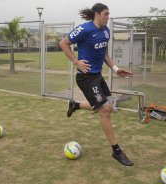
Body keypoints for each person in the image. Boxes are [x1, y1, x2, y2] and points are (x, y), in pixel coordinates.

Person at [59, 3, 134, 166]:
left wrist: (115, 68)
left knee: (105, 104)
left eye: (109, 14)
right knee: (105, 110)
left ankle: (76, 105)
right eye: (106, 14)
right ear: (97, 14)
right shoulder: (85, 29)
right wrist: (75, 61)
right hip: (85, 78)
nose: (108, 17)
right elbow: (63, 43)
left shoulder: (106, 32)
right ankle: (117, 151)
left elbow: (104, 54)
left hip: (97, 76)